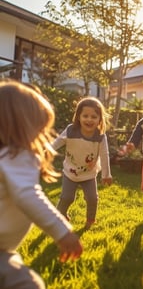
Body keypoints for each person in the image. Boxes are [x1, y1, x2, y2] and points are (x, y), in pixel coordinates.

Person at [0, 80, 83, 289]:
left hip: (4, 250)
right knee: (28, 287)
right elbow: (27, 195)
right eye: (39, 129)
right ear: (22, 125)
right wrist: (62, 232)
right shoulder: (15, 155)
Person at [52, 97, 112, 229]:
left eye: (94, 116)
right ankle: (60, 215)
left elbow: (104, 155)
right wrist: (47, 151)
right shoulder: (71, 130)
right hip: (70, 172)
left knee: (92, 198)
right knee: (66, 197)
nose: (89, 119)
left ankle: (90, 220)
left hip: (89, 174)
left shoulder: (100, 136)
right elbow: (57, 142)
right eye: (85, 116)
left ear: (100, 119)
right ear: (78, 117)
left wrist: (106, 175)